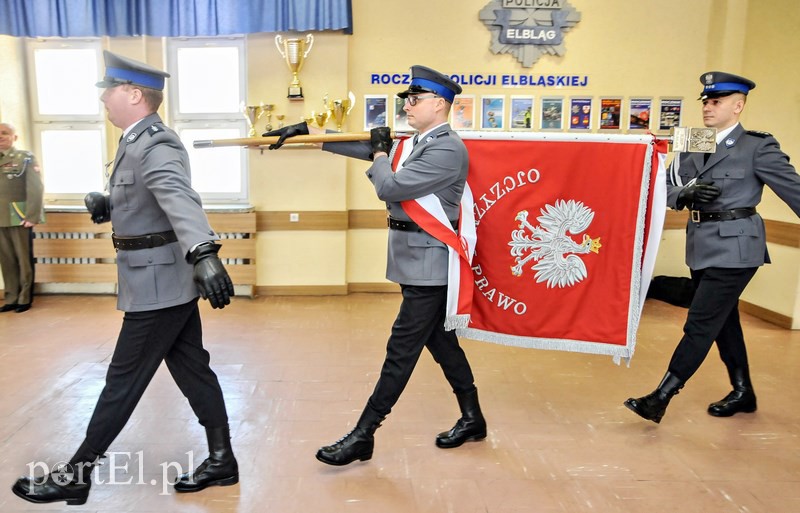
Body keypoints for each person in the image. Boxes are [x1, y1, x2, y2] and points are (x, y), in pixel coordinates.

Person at [12, 50, 238, 505]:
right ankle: (222, 460)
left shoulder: (155, 142)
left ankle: (78, 472)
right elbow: (148, 194)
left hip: (158, 283)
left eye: (108, 92)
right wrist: (109, 201)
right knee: (192, 369)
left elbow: (179, 198)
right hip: (156, 278)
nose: (103, 100)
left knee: (123, 379)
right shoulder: (134, 140)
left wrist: (205, 251)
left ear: (133, 94)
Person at [265, 65, 486, 466]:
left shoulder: (447, 147)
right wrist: (309, 135)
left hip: (429, 267)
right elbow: (364, 147)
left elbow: (390, 185)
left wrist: (382, 150)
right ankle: (473, 418)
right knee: (441, 342)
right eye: (407, 100)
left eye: (415, 100)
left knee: (400, 351)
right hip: (414, 261)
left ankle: (364, 433)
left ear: (439, 104)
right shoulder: (418, 142)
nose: (408, 106)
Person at [625, 71, 800, 424]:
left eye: (716, 101)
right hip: (701, 243)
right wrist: (683, 195)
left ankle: (661, 396)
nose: (707, 106)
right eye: (705, 100)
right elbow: (663, 187)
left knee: (700, 322)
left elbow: (793, 189)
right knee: (724, 321)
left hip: (738, 245)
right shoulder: (694, 141)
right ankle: (743, 391)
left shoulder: (757, 146)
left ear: (737, 106)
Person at [0, 122, 44, 313]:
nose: (1, 137)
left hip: (18, 216)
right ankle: (11, 297)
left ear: (14, 137)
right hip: (1, 217)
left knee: (23, 259)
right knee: (6, 260)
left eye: (5, 133)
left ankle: (25, 298)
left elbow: (35, 188)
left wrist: (32, 215)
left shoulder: (24, 158)